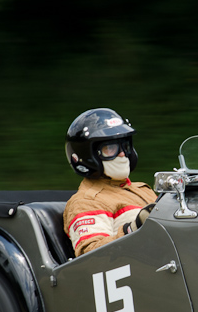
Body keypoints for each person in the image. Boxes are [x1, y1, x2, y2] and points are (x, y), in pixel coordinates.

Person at [63, 108, 157, 256]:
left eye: (124, 146)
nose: (122, 154)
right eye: (110, 148)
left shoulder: (142, 189)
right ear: (89, 155)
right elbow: (90, 255)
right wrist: (132, 228)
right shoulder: (87, 201)